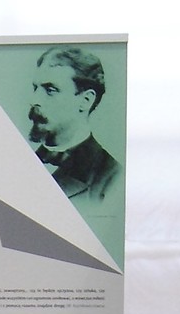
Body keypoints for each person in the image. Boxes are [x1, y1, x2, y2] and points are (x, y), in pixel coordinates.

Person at [27, 45, 120, 213]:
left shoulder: (112, 177)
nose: (34, 100)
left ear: (85, 101)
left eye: (50, 90)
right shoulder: (22, 164)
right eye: (35, 88)